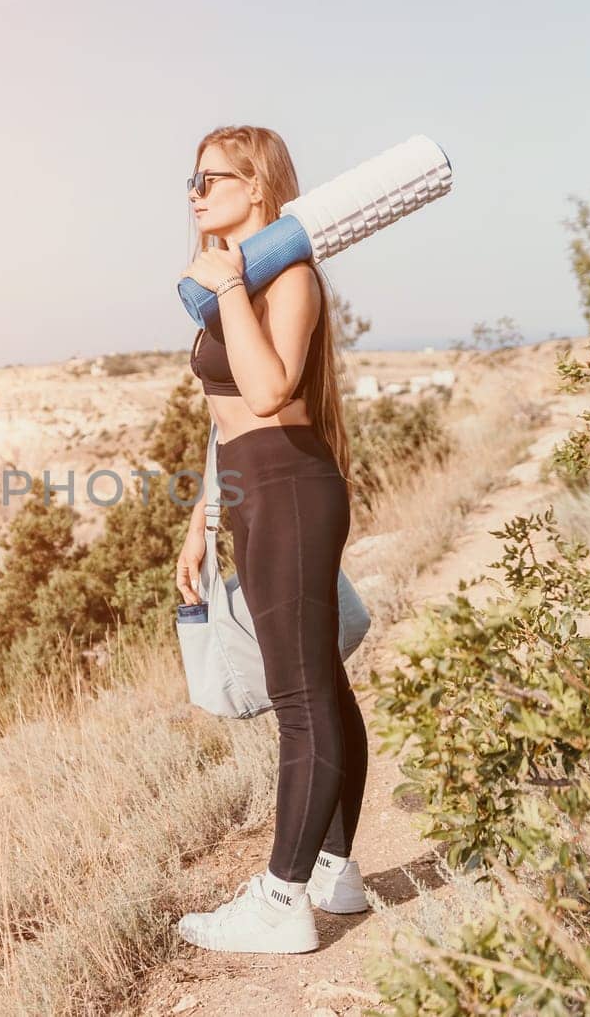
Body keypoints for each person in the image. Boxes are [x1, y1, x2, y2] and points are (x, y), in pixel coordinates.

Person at [172, 125, 371, 955]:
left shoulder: (286, 277)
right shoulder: (243, 274)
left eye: (209, 177)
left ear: (257, 186)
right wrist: (202, 518)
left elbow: (265, 387)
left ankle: (283, 899)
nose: (193, 191)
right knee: (318, 679)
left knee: (300, 698)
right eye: (189, 179)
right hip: (254, 490)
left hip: (291, 488)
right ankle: (333, 868)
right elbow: (224, 422)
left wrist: (224, 291)